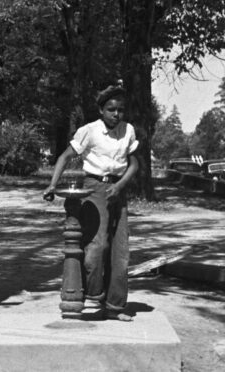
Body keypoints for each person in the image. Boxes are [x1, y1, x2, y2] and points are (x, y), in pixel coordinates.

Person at [43, 84, 139, 321]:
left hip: (119, 189)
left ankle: (115, 307)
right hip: (94, 187)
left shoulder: (128, 131)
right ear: (101, 111)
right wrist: (52, 185)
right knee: (97, 248)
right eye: (111, 109)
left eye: (120, 110)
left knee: (120, 250)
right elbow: (66, 156)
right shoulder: (90, 131)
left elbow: (135, 164)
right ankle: (92, 293)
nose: (116, 114)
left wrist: (119, 186)